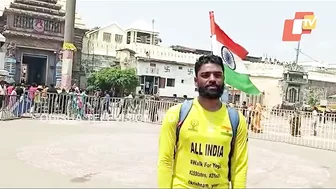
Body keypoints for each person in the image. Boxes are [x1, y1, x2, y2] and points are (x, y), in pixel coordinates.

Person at [157, 55, 248, 188]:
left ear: (223, 79)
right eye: (205, 75)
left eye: (217, 75)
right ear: (196, 81)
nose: (212, 79)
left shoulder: (236, 120)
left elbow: (239, 168)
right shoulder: (177, 114)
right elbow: (165, 161)